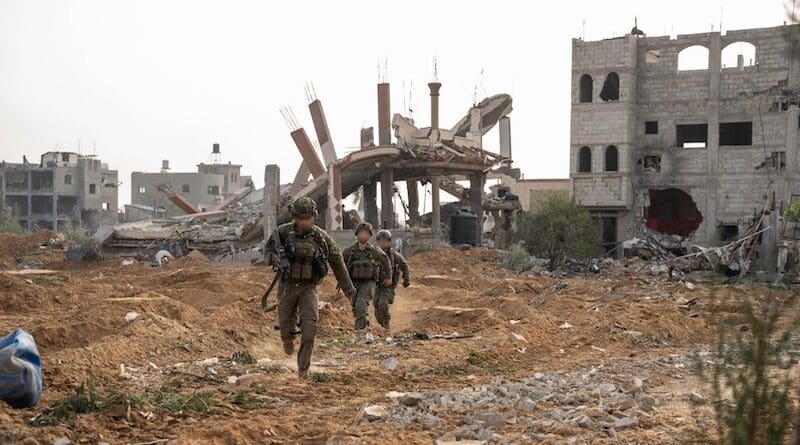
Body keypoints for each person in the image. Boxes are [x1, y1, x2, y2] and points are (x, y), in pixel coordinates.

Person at [264, 197, 356, 379]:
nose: (304, 222)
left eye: (307, 218)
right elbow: (267, 251)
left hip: (309, 288)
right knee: (286, 328)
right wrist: (274, 259)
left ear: (314, 217)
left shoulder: (320, 237)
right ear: (294, 217)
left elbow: (337, 262)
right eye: (300, 218)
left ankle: (303, 371)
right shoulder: (282, 232)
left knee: (309, 328)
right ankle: (287, 338)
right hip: (287, 286)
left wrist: (349, 290)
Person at [341, 222, 391, 340]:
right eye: (361, 233)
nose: (363, 236)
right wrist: (342, 280)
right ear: (357, 235)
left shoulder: (374, 251)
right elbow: (339, 264)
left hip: (368, 283)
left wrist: (388, 277)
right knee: (355, 306)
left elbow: (385, 260)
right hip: (353, 283)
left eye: (366, 233)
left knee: (361, 302)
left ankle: (361, 331)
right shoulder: (349, 251)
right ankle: (365, 321)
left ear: (370, 236)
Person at [374, 229, 410, 332]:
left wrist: (406, 279)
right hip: (377, 285)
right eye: (380, 241)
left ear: (389, 242)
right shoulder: (374, 253)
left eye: (385, 241)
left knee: (383, 304)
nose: (383, 243)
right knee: (376, 307)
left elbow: (404, 265)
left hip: (389, 286)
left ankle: (386, 323)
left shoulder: (394, 255)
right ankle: (383, 325)